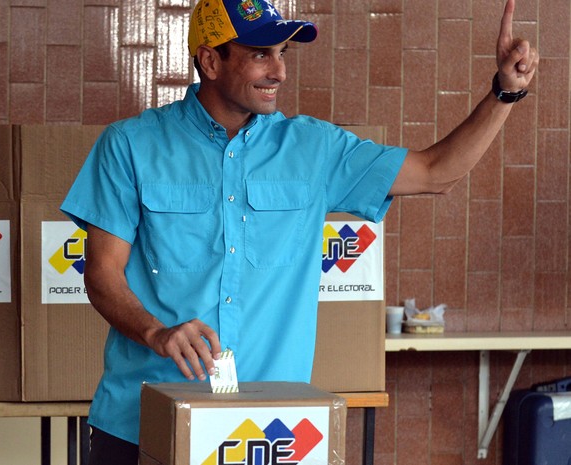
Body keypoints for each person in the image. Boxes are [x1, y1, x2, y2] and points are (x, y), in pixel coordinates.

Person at [60, 0, 538, 463]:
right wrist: (157, 333)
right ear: (209, 60)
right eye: (260, 54)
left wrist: (505, 92)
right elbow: (102, 274)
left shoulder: (315, 149)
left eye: (282, 54)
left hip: (268, 431)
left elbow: (437, 172)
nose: (279, 71)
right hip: (139, 420)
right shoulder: (130, 145)